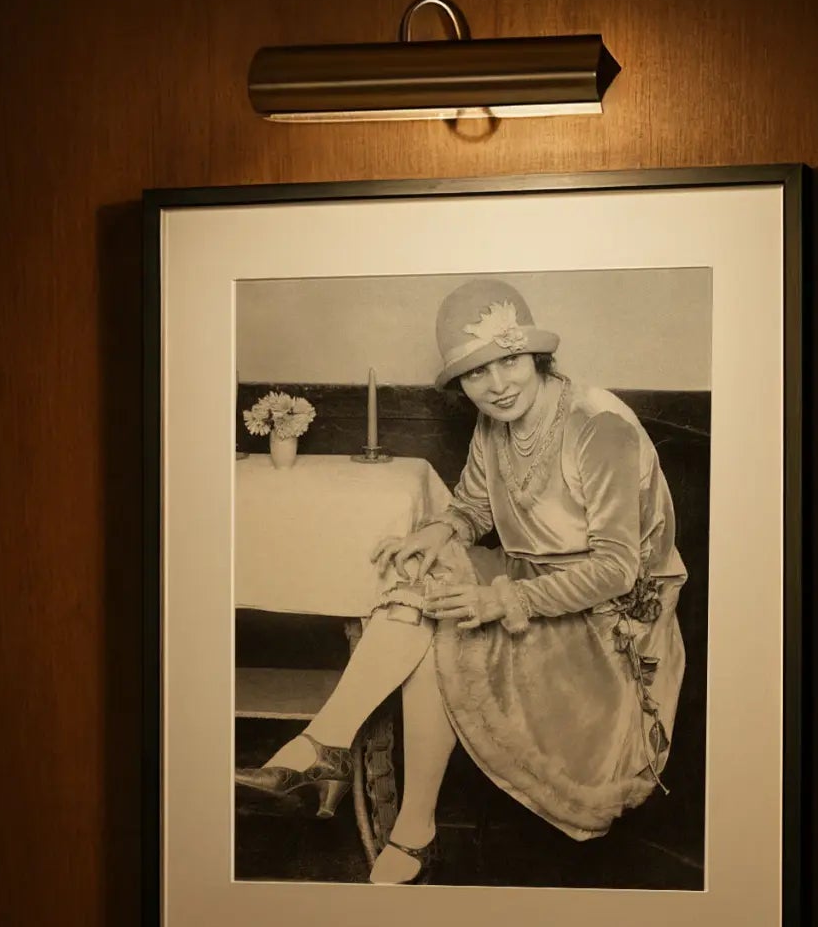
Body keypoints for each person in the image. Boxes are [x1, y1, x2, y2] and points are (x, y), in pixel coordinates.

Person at [235, 278, 688, 884]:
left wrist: (499, 598)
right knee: (425, 587)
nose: (497, 385)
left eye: (509, 361)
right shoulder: (496, 422)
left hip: (610, 622)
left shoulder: (597, 426)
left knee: (439, 626)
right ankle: (351, 769)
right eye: (477, 373)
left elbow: (615, 570)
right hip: (532, 579)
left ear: (537, 356)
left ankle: (358, 781)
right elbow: (474, 506)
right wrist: (441, 530)